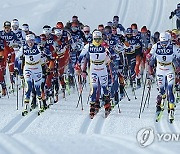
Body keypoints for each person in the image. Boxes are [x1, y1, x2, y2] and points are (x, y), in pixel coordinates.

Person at [75, 30, 112, 118]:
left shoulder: (104, 45)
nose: (98, 41)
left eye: (99, 39)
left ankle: (107, 105)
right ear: (93, 38)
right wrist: (78, 65)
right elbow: (81, 55)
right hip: (94, 69)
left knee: (105, 88)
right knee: (94, 88)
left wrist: (108, 56)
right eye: (96, 39)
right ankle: (92, 107)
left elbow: (110, 56)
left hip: (102, 68)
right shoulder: (88, 46)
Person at [148, 32, 180, 123]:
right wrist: (149, 59)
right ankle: (161, 100)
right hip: (160, 69)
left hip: (170, 69)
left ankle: (171, 109)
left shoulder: (173, 47)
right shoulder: (156, 46)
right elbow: (150, 56)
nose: (164, 45)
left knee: (170, 89)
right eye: (162, 42)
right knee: (161, 90)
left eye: (165, 42)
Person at [16, 34, 44, 115]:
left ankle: (40, 105)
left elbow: (47, 54)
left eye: (31, 41)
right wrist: (16, 68)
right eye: (28, 41)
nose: (30, 43)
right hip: (28, 68)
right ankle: (26, 107)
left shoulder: (38, 47)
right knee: (28, 86)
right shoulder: (23, 48)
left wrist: (43, 51)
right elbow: (17, 57)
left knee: (38, 88)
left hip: (37, 69)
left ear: (34, 41)